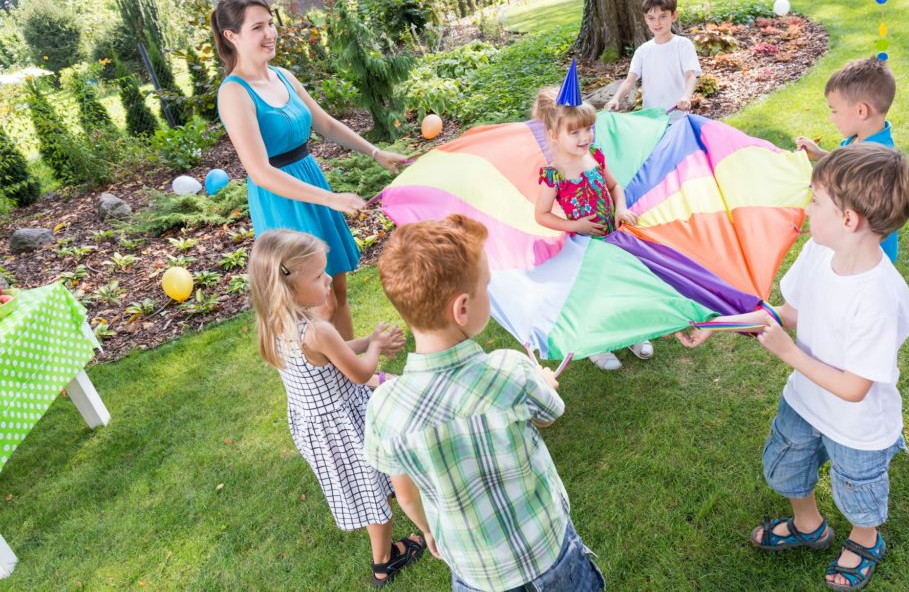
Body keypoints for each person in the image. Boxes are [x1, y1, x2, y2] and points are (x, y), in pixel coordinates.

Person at [678, 145, 909, 591]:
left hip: (857, 426)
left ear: (849, 220)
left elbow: (854, 388)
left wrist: (789, 354)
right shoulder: (817, 252)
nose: (805, 208)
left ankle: (865, 540)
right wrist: (717, 324)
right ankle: (808, 525)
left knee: (858, 492)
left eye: (815, 200)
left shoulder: (878, 297)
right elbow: (789, 313)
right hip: (805, 403)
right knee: (786, 466)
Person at [365, 215, 606, 592]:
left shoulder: (384, 407)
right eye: (487, 287)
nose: (490, 295)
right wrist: (542, 380)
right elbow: (549, 413)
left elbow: (406, 493)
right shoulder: (510, 370)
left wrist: (428, 530)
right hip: (547, 553)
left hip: (475, 573)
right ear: (462, 308)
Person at [212, 0, 406, 340]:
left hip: (312, 184)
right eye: (257, 27)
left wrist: (377, 154)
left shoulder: (283, 76)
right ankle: (331, 387)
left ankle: (354, 382)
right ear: (231, 36)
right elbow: (258, 171)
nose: (269, 34)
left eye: (271, 24)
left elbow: (327, 124)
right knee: (318, 307)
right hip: (281, 201)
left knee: (338, 293)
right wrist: (332, 199)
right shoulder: (234, 93)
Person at [248, 229, 425, 588]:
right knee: (373, 496)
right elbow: (360, 373)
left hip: (317, 428)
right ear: (289, 287)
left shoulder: (274, 323)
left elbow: (335, 351)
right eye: (318, 276)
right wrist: (374, 347)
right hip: (344, 424)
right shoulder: (316, 329)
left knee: (369, 485)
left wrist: (368, 342)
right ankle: (384, 561)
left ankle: (392, 512)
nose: (328, 279)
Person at [532, 81, 654, 370]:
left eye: (588, 128)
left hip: (613, 237)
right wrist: (576, 226)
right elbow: (542, 215)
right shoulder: (554, 174)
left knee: (622, 284)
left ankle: (634, 332)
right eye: (574, 132)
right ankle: (598, 345)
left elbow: (615, 187)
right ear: (554, 135)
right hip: (583, 244)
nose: (584, 136)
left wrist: (621, 209)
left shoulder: (595, 155)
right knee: (594, 294)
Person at [794, 57, 900, 261]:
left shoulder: (878, 163)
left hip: (865, 255)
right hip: (848, 244)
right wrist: (820, 155)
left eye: (835, 111)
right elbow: (843, 166)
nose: (831, 118)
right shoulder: (856, 140)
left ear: (861, 110)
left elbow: (856, 207)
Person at [605, 0, 701, 123]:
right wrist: (615, 98)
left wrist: (686, 96)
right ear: (645, 19)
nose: (657, 23)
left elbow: (690, 75)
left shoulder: (683, 45)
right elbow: (629, 81)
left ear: (674, 16)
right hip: (651, 119)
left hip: (677, 116)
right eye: (651, 18)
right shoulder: (642, 51)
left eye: (663, 16)